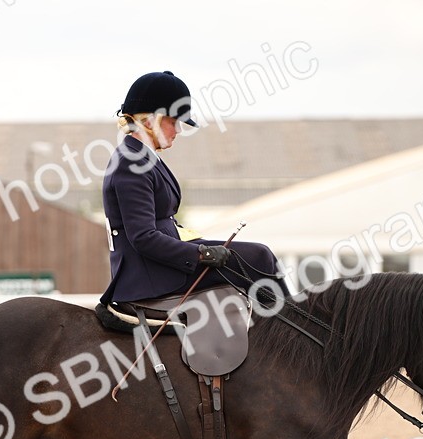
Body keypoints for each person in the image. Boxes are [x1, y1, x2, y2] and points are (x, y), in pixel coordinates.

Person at [98, 70, 288, 306]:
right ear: (149, 121)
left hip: (165, 259)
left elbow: (165, 221)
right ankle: (289, 336)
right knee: (258, 258)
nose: (178, 130)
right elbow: (143, 237)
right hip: (149, 273)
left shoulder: (145, 157)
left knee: (262, 254)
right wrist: (200, 253)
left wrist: (200, 243)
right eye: (173, 122)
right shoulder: (131, 163)